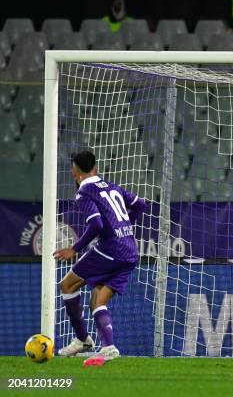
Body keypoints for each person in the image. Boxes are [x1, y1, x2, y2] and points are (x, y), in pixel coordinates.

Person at [53, 150, 147, 366]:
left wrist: (75, 248)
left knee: (67, 285)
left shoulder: (84, 193)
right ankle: (108, 347)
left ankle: (82, 339)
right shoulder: (112, 186)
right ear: (95, 168)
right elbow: (141, 205)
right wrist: (124, 225)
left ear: (73, 172)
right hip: (130, 250)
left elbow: (96, 225)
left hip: (110, 250)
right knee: (98, 299)